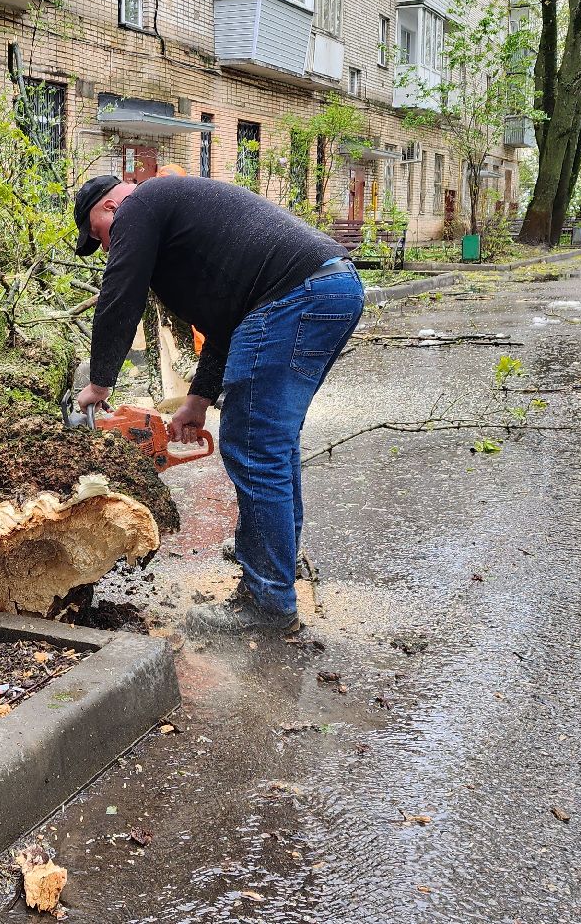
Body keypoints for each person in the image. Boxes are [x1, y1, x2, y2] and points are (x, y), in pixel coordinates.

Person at [71, 172, 364, 635]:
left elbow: (119, 294)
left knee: (254, 445)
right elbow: (224, 323)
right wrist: (198, 400)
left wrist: (100, 383)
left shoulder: (140, 204)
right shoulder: (180, 227)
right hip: (332, 289)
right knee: (272, 443)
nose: (108, 248)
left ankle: (268, 601)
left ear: (110, 209)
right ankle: (275, 559)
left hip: (293, 296)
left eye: (101, 237)